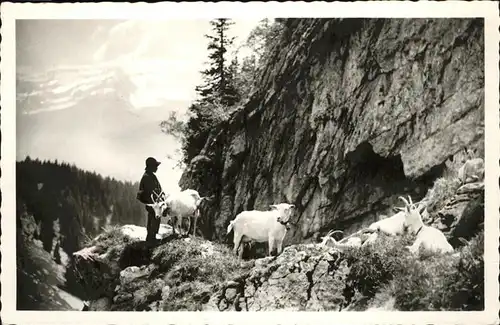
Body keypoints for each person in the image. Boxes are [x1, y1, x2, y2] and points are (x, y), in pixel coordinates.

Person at [137, 157, 164, 246]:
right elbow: (150, 192)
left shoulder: (150, 176)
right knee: (154, 218)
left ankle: (151, 237)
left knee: (153, 218)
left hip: (154, 203)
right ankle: (151, 239)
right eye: (155, 166)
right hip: (152, 203)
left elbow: (158, 189)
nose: (157, 168)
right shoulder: (147, 177)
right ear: (151, 167)